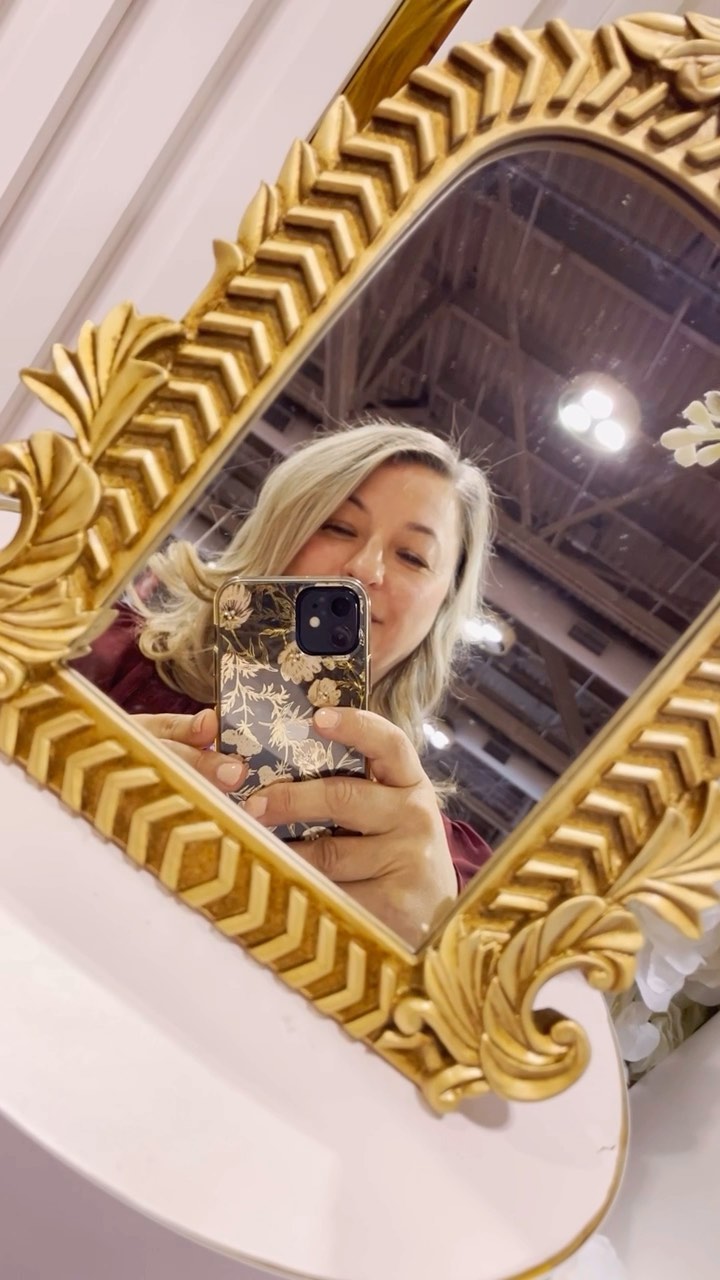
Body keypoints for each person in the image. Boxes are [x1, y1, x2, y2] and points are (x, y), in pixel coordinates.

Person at [74, 420, 495, 946]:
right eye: (338, 526)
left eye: (412, 556)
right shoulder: (85, 649)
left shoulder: (448, 868)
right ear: (283, 526)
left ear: (443, 608)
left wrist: (432, 941)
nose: (364, 569)